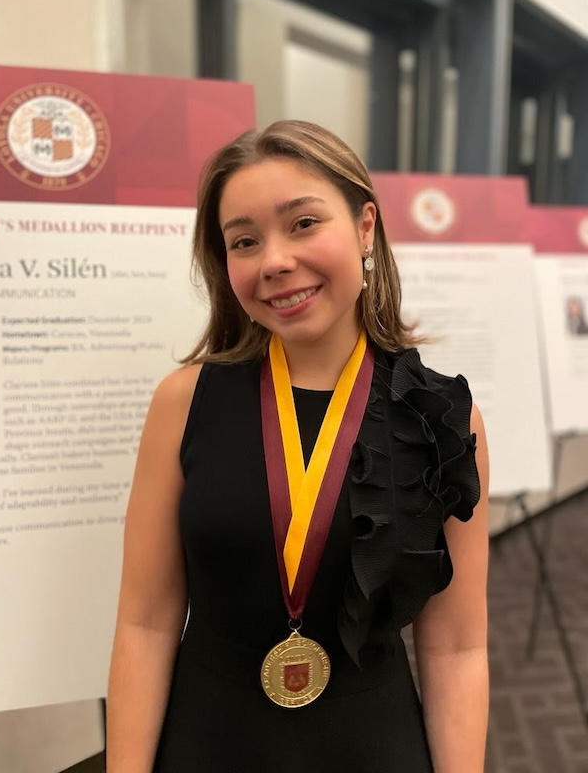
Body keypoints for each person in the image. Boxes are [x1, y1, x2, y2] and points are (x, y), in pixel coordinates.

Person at [106, 120, 489, 773]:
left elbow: (455, 647)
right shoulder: (185, 402)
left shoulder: (442, 418)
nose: (275, 260)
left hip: (374, 747)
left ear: (366, 227)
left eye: (303, 223)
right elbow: (144, 625)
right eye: (245, 241)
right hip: (207, 744)